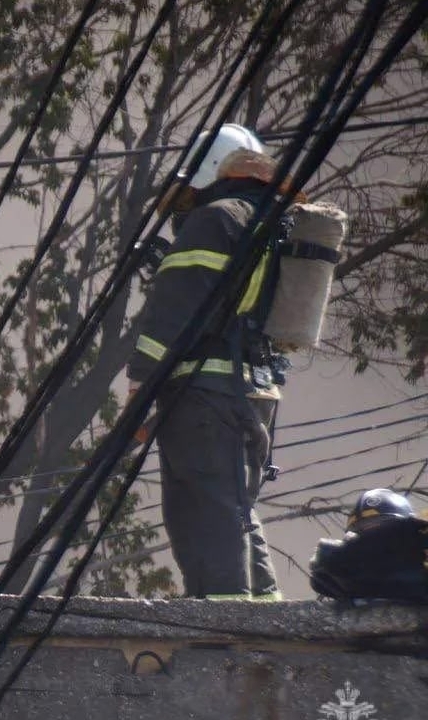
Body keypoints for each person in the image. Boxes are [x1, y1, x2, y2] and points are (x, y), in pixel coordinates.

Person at [127, 123, 291, 600]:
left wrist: (141, 387)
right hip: (255, 394)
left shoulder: (216, 218)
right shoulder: (266, 220)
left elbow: (173, 310)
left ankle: (227, 635)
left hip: (206, 396)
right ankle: (265, 620)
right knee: (234, 511)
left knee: (204, 518)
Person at [310, 488, 428, 603]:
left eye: (380, 527)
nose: (372, 537)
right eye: (361, 531)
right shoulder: (347, 577)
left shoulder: (420, 558)